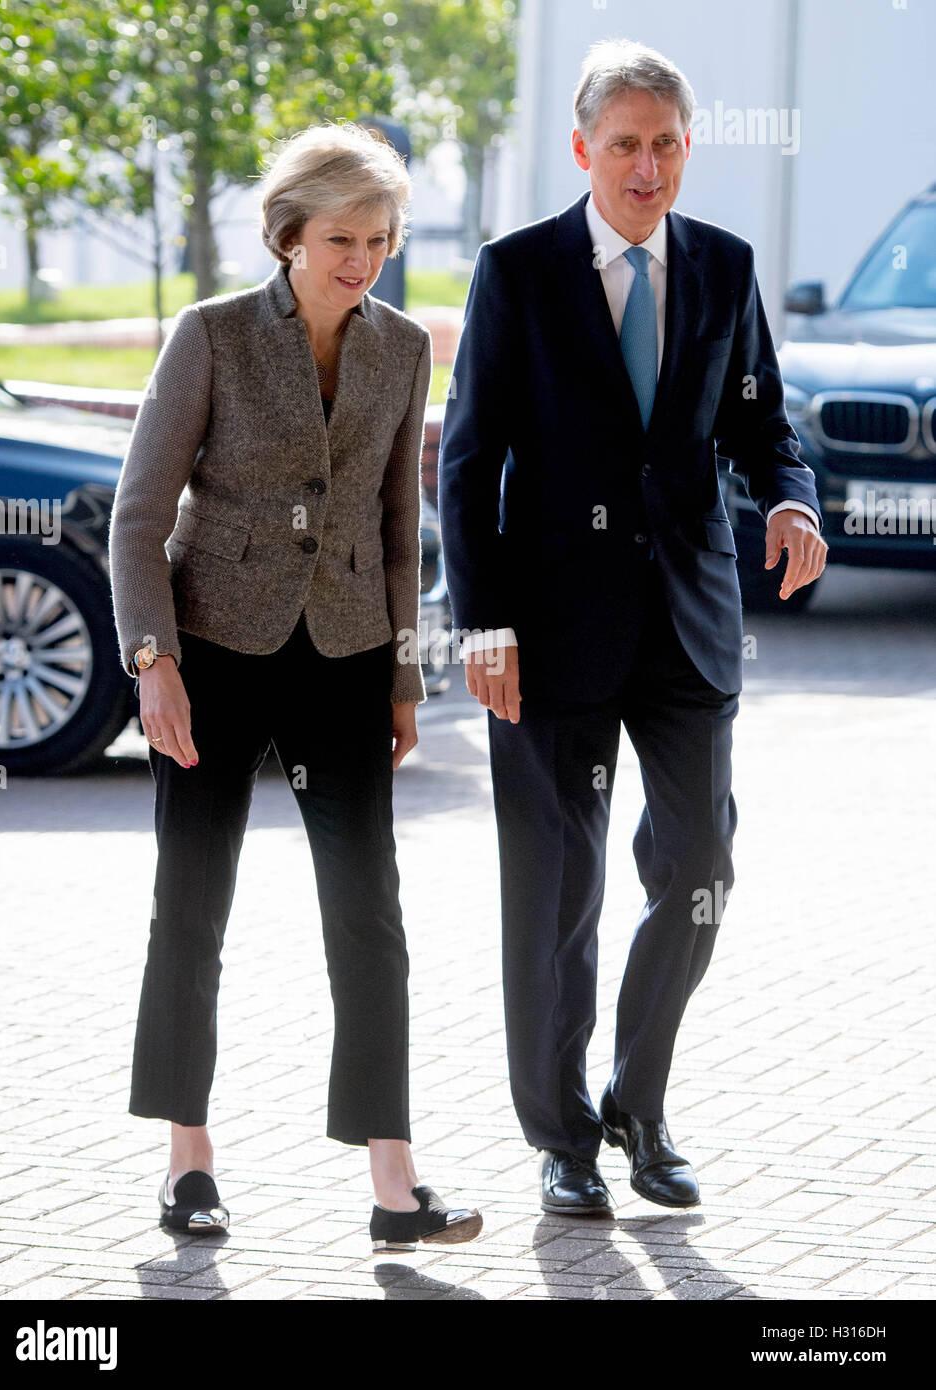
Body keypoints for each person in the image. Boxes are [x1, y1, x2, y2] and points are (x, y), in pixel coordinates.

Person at [439, 39, 827, 1215]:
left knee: (698, 865)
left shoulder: (721, 266)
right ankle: (560, 1137)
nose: (646, 167)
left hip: (691, 626)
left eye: (664, 144)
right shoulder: (516, 272)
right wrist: (482, 621)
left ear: (685, 148)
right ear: (581, 150)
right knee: (557, 885)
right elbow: (466, 464)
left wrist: (795, 496)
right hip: (547, 634)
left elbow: (761, 426)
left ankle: (638, 1103)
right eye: (624, 145)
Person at [109, 121, 481, 1251]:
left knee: (369, 916)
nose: (360, 260)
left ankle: (393, 1181)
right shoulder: (211, 336)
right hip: (214, 651)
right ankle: (187, 1164)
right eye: (338, 239)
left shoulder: (406, 346)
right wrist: (154, 661)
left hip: (350, 655)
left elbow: (395, 525)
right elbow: (137, 517)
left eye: (377, 238)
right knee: (193, 907)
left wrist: (407, 681)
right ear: (286, 237)